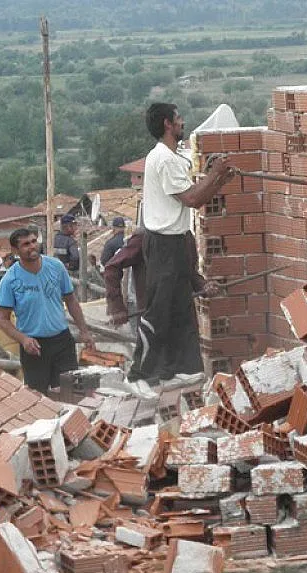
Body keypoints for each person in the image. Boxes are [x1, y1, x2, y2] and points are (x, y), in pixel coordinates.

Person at [136, 102, 236, 392]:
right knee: (158, 310)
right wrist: (215, 173)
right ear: (167, 124)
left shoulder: (174, 157)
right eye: (178, 118)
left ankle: (184, 370)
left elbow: (197, 194)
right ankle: (140, 375)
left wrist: (218, 180)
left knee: (181, 305)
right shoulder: (164, 159)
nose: (182, 122)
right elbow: (192, 199)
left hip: (178, 240)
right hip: (163, 244)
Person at [106, 228, 219, 381]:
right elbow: (112, 267)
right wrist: (117, 306)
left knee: (190, 380)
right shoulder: (145, 237)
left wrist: (203, 286)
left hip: (183, 324)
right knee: (154, 382)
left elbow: (190, 273)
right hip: (155, 322)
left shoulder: (185, 237)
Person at [0, 228, 95, 394]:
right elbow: (2, 320)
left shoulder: (56, 267)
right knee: (38, 396)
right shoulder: (9, 280)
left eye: (34, 241)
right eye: (26, 244)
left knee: (71, 392)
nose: (32, 246)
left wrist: (84, 331)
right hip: (34, 347)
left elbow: (71, 300)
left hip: (62, 341)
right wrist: (23, 339)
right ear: (15, 250)